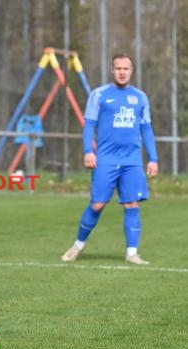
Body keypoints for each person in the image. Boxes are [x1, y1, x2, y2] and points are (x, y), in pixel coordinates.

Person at [61, 53, 158, 265]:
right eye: (118, 68)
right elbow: (89, 125)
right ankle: (78, 245)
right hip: (105, 159)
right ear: (112, 70)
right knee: (97, 205)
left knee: (132, 204)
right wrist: (88, 151)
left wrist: (153, 158)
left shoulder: (140, 97)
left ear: (131, 71)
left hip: (132, 160)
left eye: (126, 69)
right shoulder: (99, 95)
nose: (122, 72)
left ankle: (132, 253)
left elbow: (147, 129)